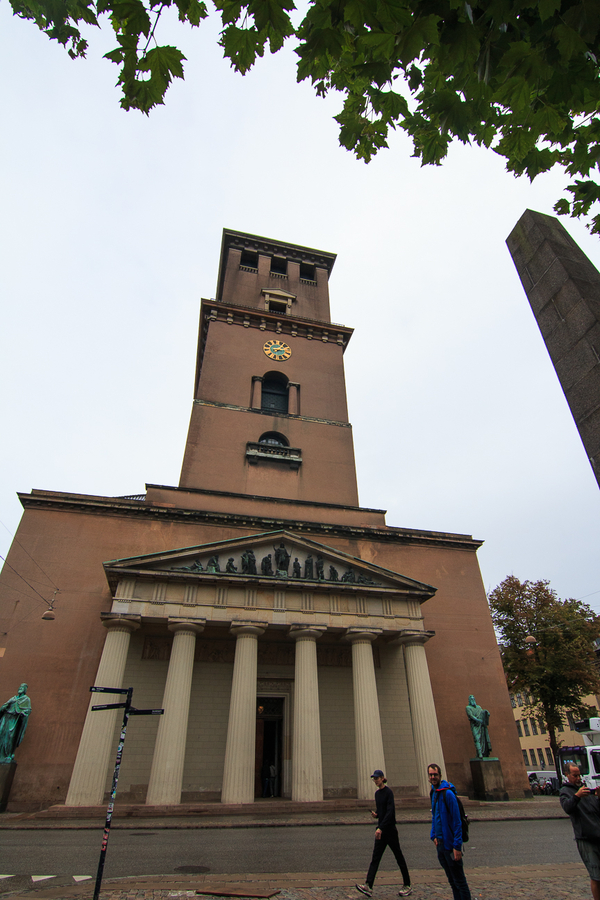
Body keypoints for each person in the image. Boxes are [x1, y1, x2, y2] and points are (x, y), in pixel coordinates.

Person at [355, 769, 412, 897]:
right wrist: (376, 815)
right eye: (374, 779)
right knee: (375, 858)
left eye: (377, 778)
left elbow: (390, 812)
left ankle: (407, 884)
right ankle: (368, 885)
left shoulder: (388, 792)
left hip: (390, 830)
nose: (375, 780)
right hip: (381, 829)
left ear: (382, 778)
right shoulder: (377, 794)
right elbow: (382, 810)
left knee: (399, 857)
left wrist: (381, 827)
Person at [428, 763, 471, 900]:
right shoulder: (434, 793)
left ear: (440, 775)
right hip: (440, 844)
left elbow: (457, 821)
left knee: (459, 881)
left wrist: (457, 846)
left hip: (450, 844)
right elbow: (435, 816)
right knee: (452, 881)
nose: (433, 777)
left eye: (435, 774)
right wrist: (433, 835)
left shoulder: (448, 794)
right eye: (431, 775)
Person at [560, 763, 600, 900]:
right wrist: (577, 796)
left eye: (579, 775)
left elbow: (596, 811)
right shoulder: (566, 791)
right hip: (585, 838)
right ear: (567, 775)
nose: (578, 778)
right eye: (575, 775)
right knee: (596, 876)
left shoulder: (585, 789)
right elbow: (567, 807)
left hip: (598, 835)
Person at [0, 684, 31, 764]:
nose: (20, 689)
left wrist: (22, 713)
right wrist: (3, 707)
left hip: (14, 721)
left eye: (22, 688)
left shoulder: (26, 699)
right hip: (5, 719)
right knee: (1, 735)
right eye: (19, 687)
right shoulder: (13, 699)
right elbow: (3, 708)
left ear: (24, 690)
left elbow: (27, 711)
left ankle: (7, 755)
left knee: (10, 737)